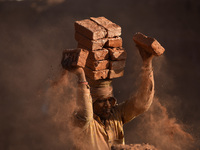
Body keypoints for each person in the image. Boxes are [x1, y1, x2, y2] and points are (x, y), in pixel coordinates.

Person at [66, 45, 155, 150]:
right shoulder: (82, 122)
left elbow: (142, 103)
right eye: (102, 101)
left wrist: (147, 63)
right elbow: (86, 113)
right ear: (91, 102)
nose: (108, 105)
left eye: (110, 100)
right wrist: (81, 75)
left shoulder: (115, 115)